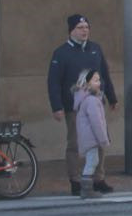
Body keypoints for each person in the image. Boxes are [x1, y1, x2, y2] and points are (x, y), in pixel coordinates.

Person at [46, 14, 118, 196]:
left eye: (86, 27)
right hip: (74, 107)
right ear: (71, 31)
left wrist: (112, 97)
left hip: (96, 104)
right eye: (80, 28)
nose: (84, 31)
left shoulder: (95, 49)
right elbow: (53, 82)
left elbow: (104, 74)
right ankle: (76, 180)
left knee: (100, 139)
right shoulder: (61, 53)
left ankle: (98, 178)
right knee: (75, 143)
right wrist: (57, 106)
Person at [72, 70, 110, 199]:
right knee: (92, 162)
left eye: (99, 80)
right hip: (92, 138)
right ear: (87, 83)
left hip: (87, 138)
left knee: (92, 161)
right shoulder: (92, 101)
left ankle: (87, 188)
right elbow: (97, 122)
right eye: (95, 80)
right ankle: (87, 189)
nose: (98, 83)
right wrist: (103, 139)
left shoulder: (85, 100)